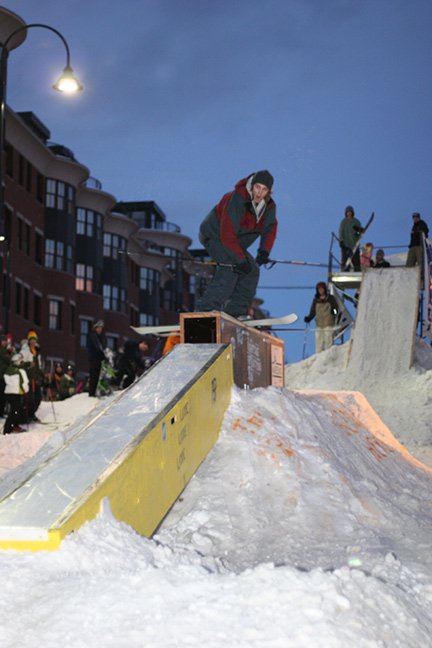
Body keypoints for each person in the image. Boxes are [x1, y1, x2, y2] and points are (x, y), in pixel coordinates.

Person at [195, 170, 278, 318]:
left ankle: (235, 312)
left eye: (264, 189)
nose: (259, 192)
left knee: (252, 271)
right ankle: (206, 310)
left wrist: (264, 252)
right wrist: (239, 260)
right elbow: (227, 234)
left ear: (269, 192)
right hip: (214, 235)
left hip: (234, 243)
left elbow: (270, 229)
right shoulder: (236, 199)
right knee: (231, 267)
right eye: (257, 187)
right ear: (252, 186)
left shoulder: (269, 208)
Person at [304, 282, 339, 353]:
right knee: (318, 340)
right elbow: (313, 311)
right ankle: (318, 355)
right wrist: (309, 318)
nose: (321, 291)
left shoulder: (330, 298)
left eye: (322, 289)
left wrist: (334, 313)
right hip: (319, 324)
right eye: (319, 289)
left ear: (325, 289)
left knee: (328, 339)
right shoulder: (316, 301)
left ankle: (328, 354)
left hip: (328, 323)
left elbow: (336, 308)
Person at [20, 329, 44, 422]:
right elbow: (20, 363)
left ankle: (31, 414)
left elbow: (39, 366)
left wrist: (43, 375)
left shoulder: (37, 352)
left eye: (34, 340)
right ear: (29, 341)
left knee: (38, 398)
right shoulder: (25, 351)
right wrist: (28, 365)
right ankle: (29, 415)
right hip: (28, 378)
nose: (33, 342)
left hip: (36, 378)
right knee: (30, 399)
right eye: (31, 340)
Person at [3, 352, 29, 434]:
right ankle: (8, 429)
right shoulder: (21, 371)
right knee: (15, 411)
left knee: (15, 410)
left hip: (8, 393)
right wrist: (26, 390)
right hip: (17, 393)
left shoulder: (8, 369)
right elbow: (24, 382)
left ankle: (14, 425)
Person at [338, 205, 363, 271]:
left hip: (354, 244)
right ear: (346, 213)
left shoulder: (356, 221)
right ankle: (344, 270)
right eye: (347, 212)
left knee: (356, 260)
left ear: (352, 212)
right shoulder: (343, 222)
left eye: (350, 212)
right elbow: (341, 232)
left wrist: (359, 231)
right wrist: (341, 241)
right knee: (345, 260)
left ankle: (357, 270)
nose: (349, 213)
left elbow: (359, 233)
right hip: (345, 245)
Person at [87, 320, 106, 397]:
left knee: (95, 376)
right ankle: (92, 393)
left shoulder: (96, 336)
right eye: (99, 328)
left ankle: (93, 392)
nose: (100, 330)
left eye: (101, 328)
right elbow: (98, 347)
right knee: (94, 376)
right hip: (94, 359)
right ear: (95, 328)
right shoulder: (93, 335)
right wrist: (103, 356)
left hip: (95, 359)